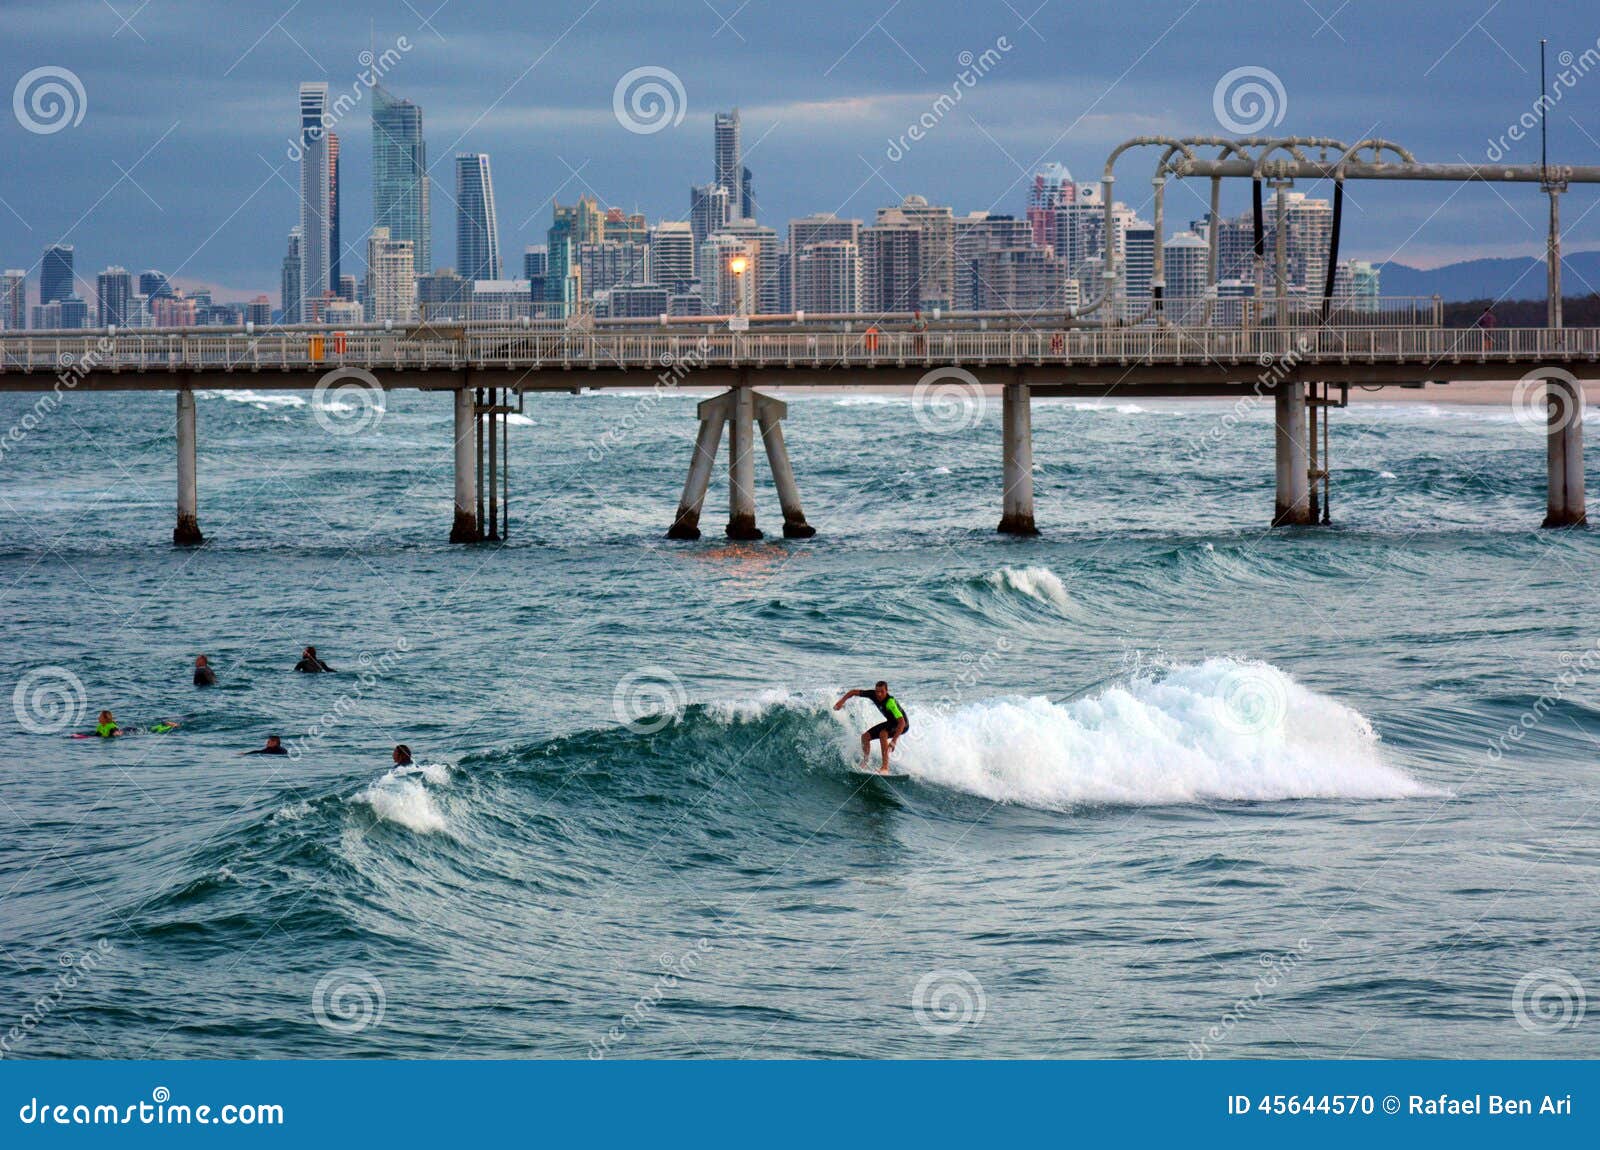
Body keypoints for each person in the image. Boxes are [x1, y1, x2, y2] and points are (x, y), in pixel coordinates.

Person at [833, 681, 909, 774]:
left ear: (887, 691)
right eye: (877, 691)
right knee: (865, 737)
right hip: (891, 723)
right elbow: (853, 692)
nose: (879, 694)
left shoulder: (890, 703)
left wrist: (894, 741)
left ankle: (885, 768)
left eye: (882, 691)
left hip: (902, 725)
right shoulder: (872, 694)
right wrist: (841, 701)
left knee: (883, 733)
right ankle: (866, 761)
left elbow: (902, 722)